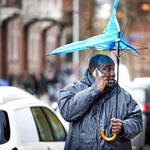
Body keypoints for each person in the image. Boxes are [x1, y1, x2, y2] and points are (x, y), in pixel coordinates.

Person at [58, 54, 143, 150]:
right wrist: (95, 89)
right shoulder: (73, 89)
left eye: (113, 69)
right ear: (94, 72)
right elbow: (67, 113)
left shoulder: (124, 95)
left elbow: (138, 122)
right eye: (108, 69)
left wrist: (124, 127)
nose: (112, 74)